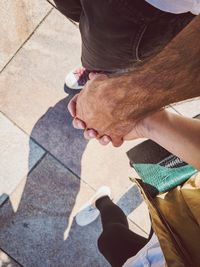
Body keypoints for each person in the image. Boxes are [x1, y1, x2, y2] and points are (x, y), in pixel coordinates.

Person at [61, 1, 200, 147]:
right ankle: (99, 75)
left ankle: (96, 72)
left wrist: (129, 96)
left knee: (99, 52)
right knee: (74, 10)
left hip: (146, 6)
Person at [75, 110, 200, 267]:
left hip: (160, 251)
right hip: (181, 215)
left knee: (109, 240)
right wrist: (147, 122)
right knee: (112, 238)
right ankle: (102, 200)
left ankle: (101, 199)